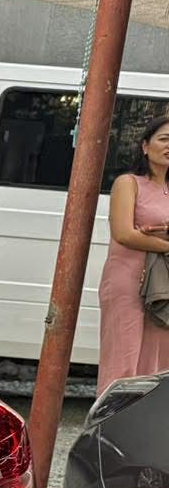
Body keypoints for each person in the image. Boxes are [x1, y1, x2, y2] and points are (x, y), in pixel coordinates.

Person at [99, 114, 169, 392]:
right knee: (123, 358)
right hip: (127, 282)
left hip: (163, 286)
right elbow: (124, 234)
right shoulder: (128, 183)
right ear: (145, 146)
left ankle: (149, 419)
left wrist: (154, 233)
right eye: (164, 139)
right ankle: (113, 418)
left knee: (159, 362)